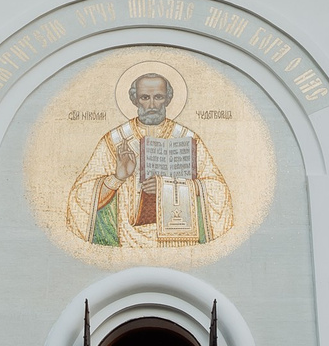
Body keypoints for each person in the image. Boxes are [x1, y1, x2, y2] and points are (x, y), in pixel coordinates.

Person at [66, 74, 235, 248]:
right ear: (135, 100)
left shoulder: (188, 138)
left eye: (159, 97)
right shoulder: (115, 141)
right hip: (128, 239)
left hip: (180, 240)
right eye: (145, 97)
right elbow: (80, 197)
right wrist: (118, 178)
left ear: (168, 99)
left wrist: (167, 187)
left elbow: (218, 189)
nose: (152, 105)